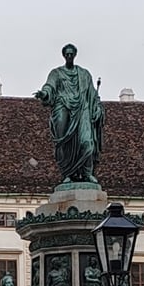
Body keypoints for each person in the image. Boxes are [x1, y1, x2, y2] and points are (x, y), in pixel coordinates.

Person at [34, 43, 104, 185]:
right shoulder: (56, 73)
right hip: (62, 107)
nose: (70, 56)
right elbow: (50, 86)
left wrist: (97, 107)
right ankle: (67, 173)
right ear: (64, 55)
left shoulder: (84, 74)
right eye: (67, 54)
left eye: (72, 54)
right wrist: (44, 93)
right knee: (63, 142)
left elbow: (93, 94)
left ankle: (87, 173)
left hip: (82, 109)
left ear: (75, 55)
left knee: (87, 142)